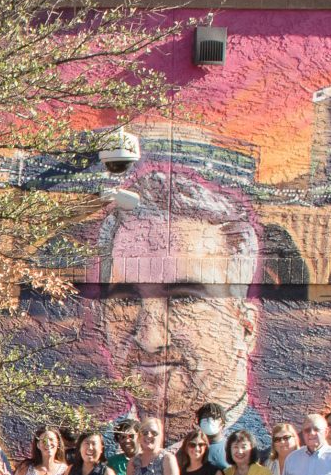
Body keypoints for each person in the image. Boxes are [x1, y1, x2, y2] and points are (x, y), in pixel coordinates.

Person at [91, 163, 265, 441]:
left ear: (245, 327)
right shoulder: (100, 454)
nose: (150, 339)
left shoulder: (266, 459)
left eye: (183, 299)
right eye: (127, 300)